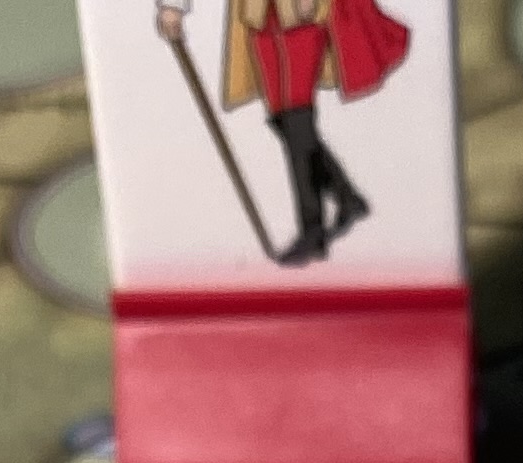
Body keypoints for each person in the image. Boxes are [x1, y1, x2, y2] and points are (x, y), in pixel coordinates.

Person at [158, 0, 410, 266]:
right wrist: (173, 5)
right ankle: (346, 197)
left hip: (301, 13)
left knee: (296, 117)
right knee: (283, 119)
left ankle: (313, 230)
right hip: (258, 13)